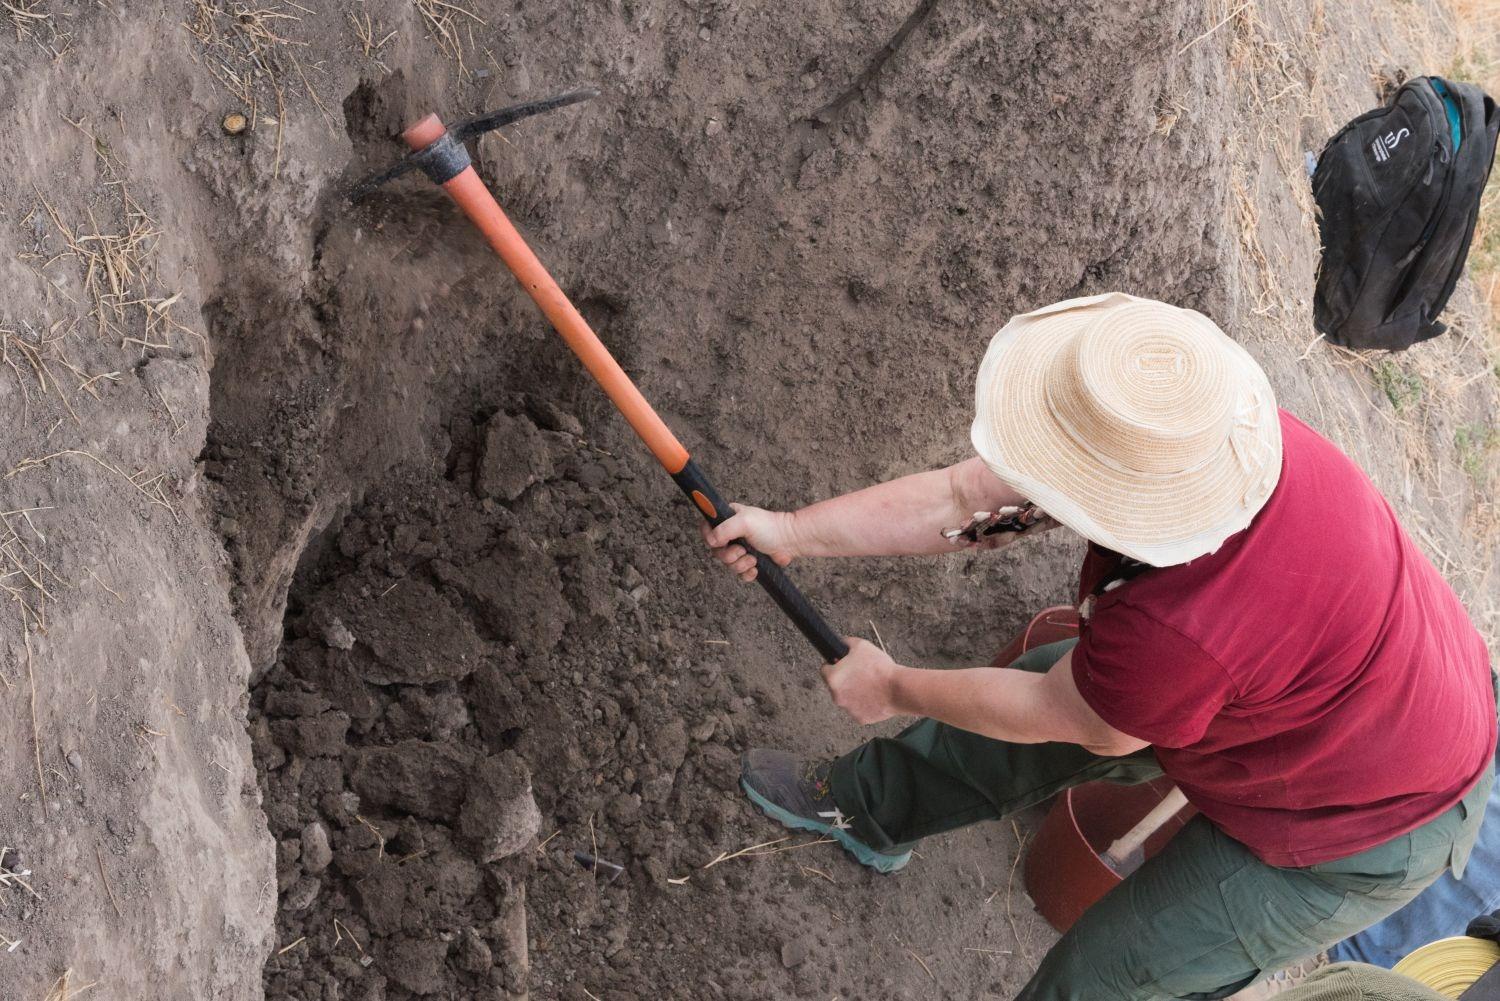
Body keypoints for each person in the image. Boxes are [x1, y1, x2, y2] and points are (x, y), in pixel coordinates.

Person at [700, 293, 1497, 1000]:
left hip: (1374, 818)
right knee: (1037, 699)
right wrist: (792, 532)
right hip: (1335, 687)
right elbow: (963, 496)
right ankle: (868, 807)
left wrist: (895, 684)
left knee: (1105, 977)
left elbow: (1073, 716)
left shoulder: (1177, 626)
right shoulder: (1195, 435)